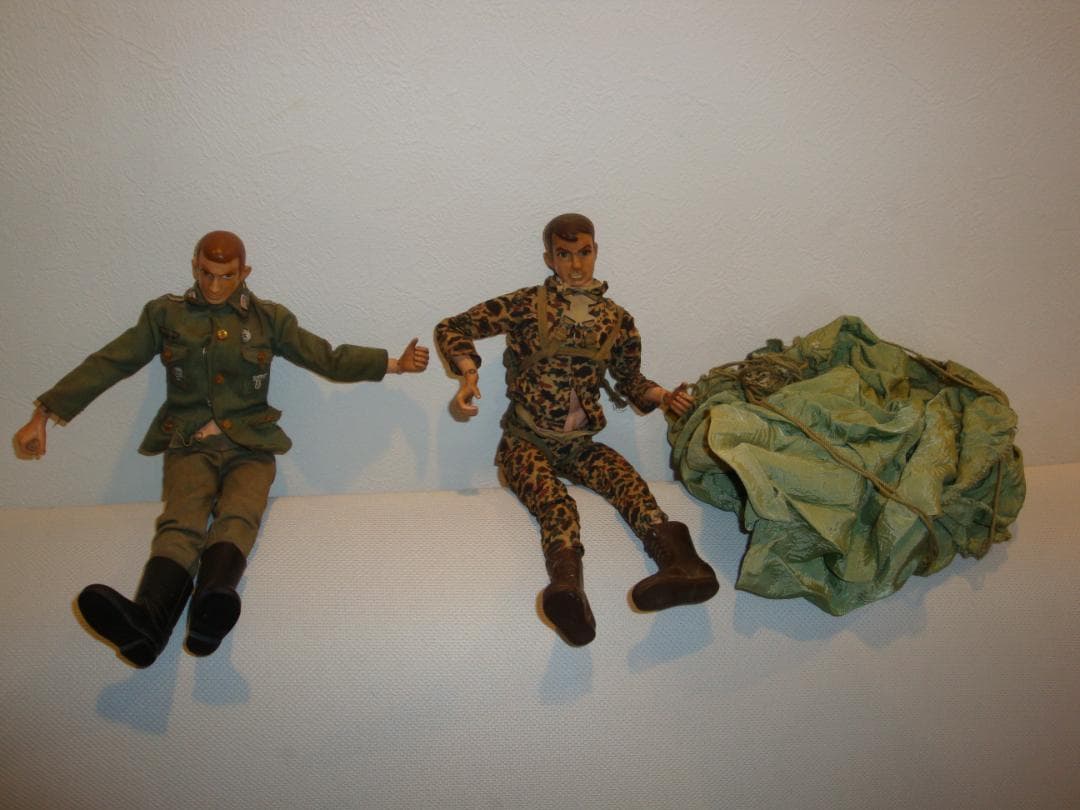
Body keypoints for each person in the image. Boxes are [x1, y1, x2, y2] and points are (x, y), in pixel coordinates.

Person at [13, 230, 429, 667]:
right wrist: (44, 414)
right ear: (195, 267)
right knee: (181, 522)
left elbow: (325, 357)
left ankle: (210, 608)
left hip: (251, 446)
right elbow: (111, 361)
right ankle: (147, 623)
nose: (214, 285)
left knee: (239, 515)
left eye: (226, 276)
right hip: (190, 445)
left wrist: (394, 364)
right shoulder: (166, 315)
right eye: (207, 274)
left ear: (244, 272)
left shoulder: (269, 319)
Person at [435, 213, 717, 645]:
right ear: (550, 259)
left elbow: (631, 380)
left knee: (629, 483)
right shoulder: (527, 304)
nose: (577, 265)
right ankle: (568, 593)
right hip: (526, 442)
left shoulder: (617, 320)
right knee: (556, 505)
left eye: (584, 252)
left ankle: (684, 567)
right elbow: (452, 327)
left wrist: (664, 397)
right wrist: (468, 372)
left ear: (596, 252)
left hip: (581, 444)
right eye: (564, 255)